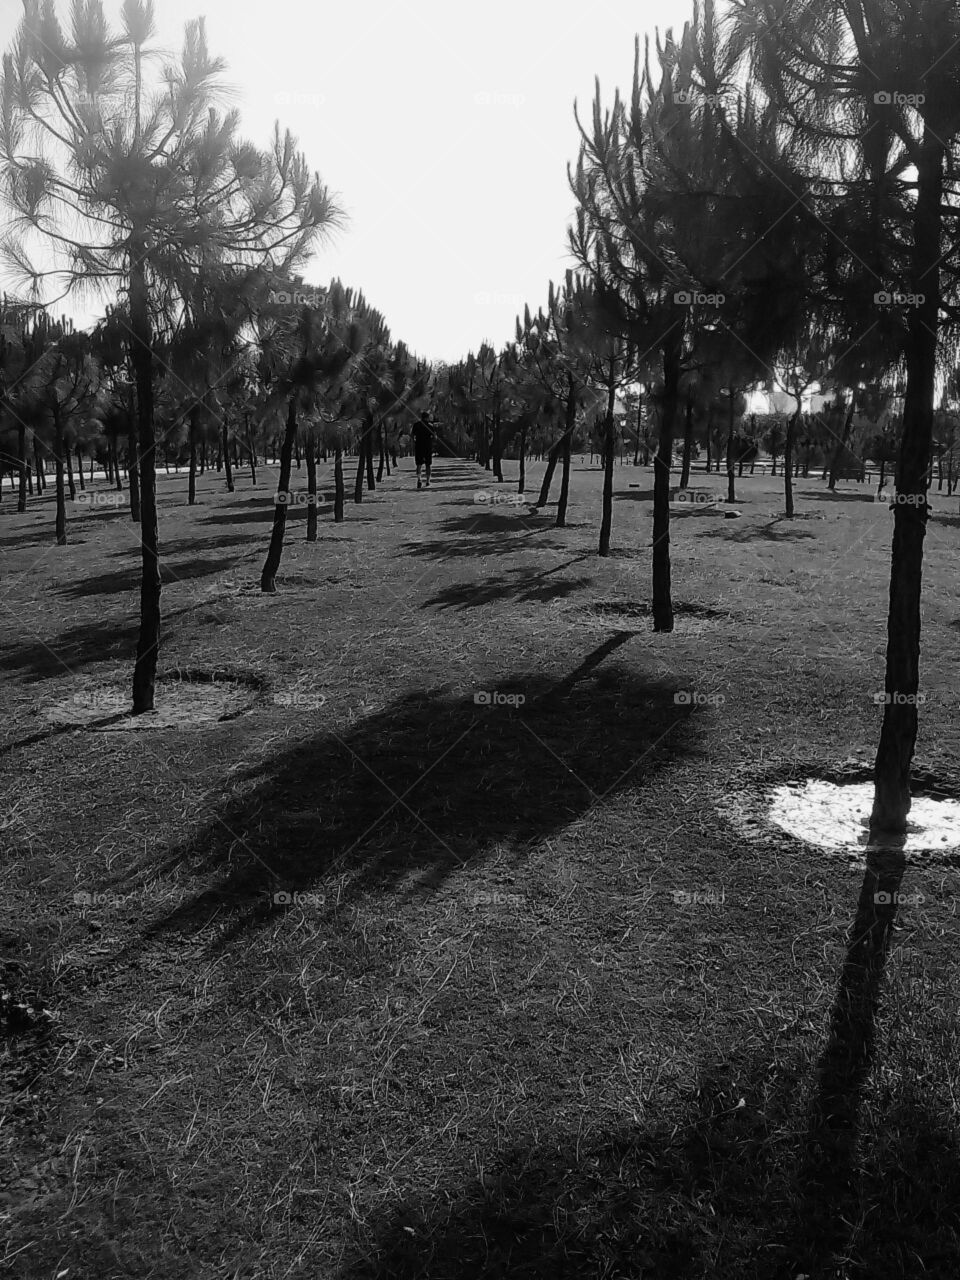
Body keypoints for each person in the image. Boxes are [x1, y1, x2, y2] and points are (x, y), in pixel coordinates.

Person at [412, 413, 435, 489]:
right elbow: (434, 436)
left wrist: (415, 441)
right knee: (428, 464)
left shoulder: (416, 425)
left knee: (419, 464)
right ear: (427, 418)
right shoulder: (430, 426)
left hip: (418, 446)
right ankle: (428, 481)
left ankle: (419, 479)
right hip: (427, 447)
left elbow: (412, 435)